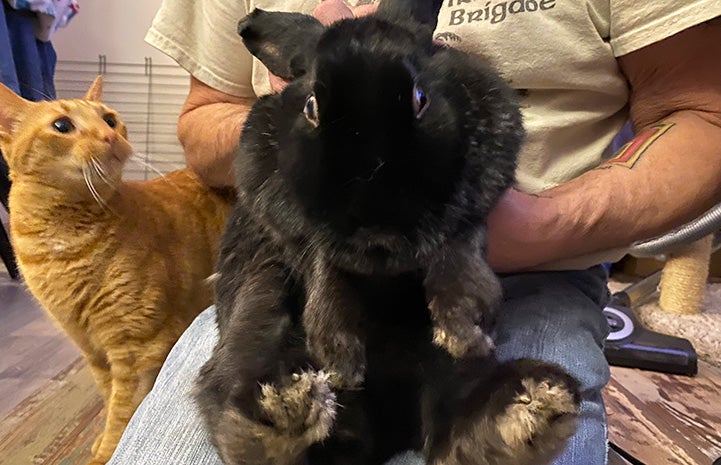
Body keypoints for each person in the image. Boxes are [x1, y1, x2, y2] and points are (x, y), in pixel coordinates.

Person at [108, 1, 721, 464]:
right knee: (216, 411)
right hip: (291, 254)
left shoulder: (471, 97)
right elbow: (202, 125)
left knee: (519, 412)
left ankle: (464, 416)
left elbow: (702, 112)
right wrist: (306, 107)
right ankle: (279, 408)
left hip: (531, 261)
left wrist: (529, 226)